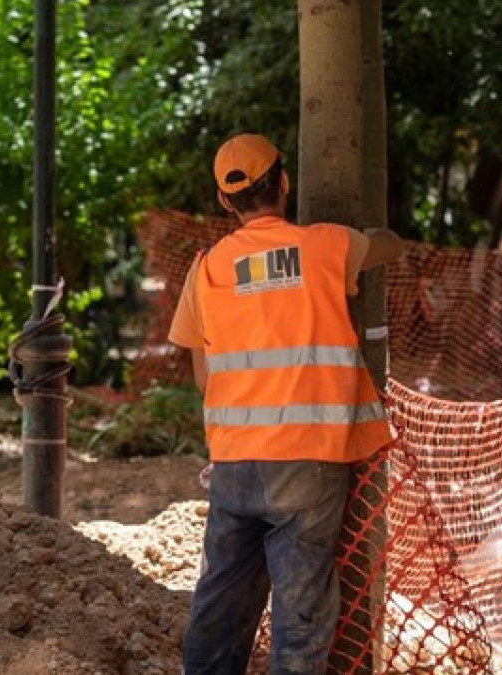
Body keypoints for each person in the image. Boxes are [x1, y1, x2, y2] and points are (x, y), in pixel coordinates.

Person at [168, 133, 405, 675]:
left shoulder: (205, 270)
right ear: (285, 181)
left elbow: (206, 381)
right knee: (301, 617)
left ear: (227, 202)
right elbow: (393, 245)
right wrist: (369, 237)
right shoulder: (325, 247)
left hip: (234, 464)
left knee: (221, 603)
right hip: (309, 465)